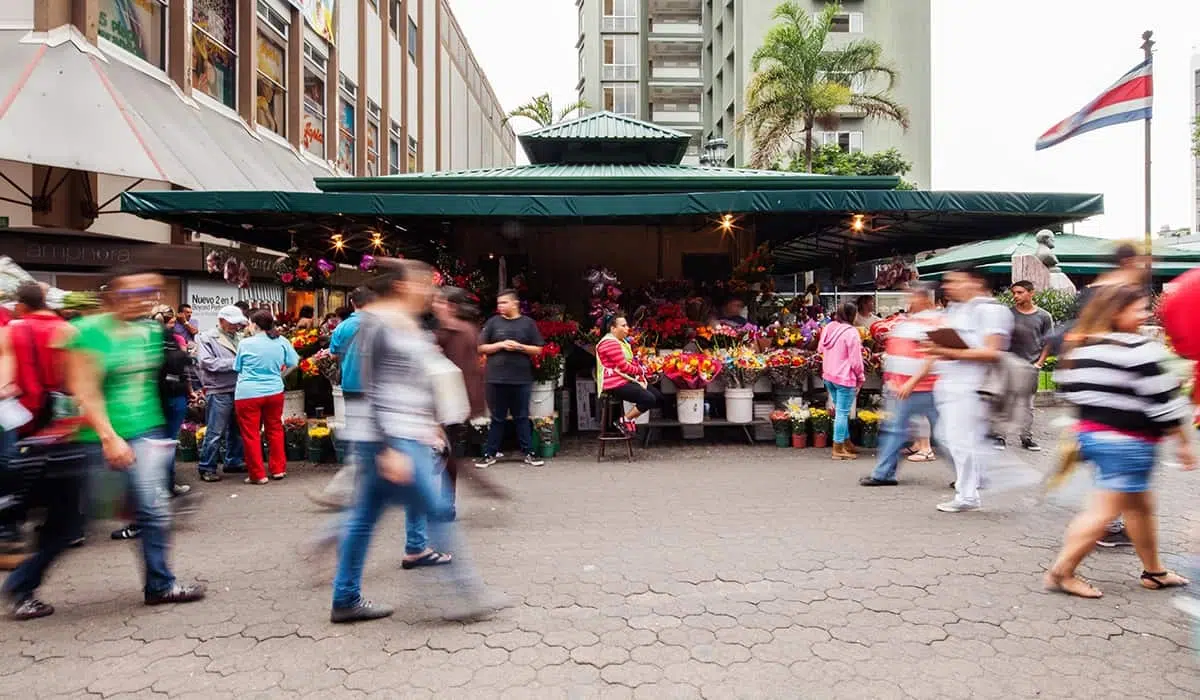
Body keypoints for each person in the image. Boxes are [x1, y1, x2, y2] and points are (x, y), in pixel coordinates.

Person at [5, 267, 206, 620]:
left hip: (145, 432)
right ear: (112, 295)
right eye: (133, 293)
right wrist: (109, 437)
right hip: (92, 439)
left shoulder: (146, 330)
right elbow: (85, 390)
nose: (143, 298)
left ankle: (160, 584)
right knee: (69, 525)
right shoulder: (87, 332)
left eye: (149, 292)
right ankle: (21, 586)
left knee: (153, 510)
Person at [331, 259, 502, 623]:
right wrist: (389, 446)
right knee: (436, 509)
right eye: (423, 283)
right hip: (390, 438)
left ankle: (345, 597)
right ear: (403, 286)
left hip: (401, 434)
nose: (429, 289)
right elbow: (371, 386)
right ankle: (467, 595)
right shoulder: (377, 324)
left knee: (363, 518)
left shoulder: (407, 323)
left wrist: (429, 422)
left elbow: (411, 381)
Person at [1045, 284, 1193, 598]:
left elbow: (1068, 391)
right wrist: (1182, 442)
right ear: (1117, 312)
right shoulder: (1141, 349)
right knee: (1103, 513)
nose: (1147, 313)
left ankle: (1154, 571)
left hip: (1093, 438)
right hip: (1129, 444)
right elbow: (1164, 402)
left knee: (1139, 507)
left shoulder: (1082, 348)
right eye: (1139, 308)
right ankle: (1062, 572)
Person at [923, 266, 1012, 513]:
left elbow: (993, 351)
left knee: (960, 441)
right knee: (951, 438)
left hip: (972, 386)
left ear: (975, 282)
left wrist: (948, 351)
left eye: (955, 281)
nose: (949, 287)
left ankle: (972, 490)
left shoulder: (991, 310)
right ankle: (973, 486)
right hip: (951, 385)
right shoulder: (956, 309)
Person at [0, 284, 73, 561]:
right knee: (54, 468)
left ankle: (10, 528)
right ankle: (64, 526)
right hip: (56, 412)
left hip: (20, 411)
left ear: (21, 305)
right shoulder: (66, 329)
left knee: (16, 467)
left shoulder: (12, 329)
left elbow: (6, 376)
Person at [110, 305, 194, 541]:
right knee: (164, 450)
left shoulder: (137, 340)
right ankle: (164, 497)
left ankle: (147, 514)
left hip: (150, 406)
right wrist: (189, 391)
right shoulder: (169, 338)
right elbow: (183, 367)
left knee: (142, 463)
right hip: (173, 398)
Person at [860, 283, 942, 486]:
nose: (909, 300)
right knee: (894, 430)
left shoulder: (935, 322)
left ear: (925, 298)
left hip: (925, 388)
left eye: (913, 296)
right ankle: (884, 474)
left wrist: (911, 383)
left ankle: (972, 475)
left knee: (945, 435)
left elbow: (934, 357)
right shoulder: (909, 321)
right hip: (903, 388)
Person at [309, 287, 374, 510]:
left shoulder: (344, 326)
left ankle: (347, 490)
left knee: (359, 435)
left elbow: (334, 354)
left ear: (353, 303)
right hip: (379, 388)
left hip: (353, 385)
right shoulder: (382, 325)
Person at [433, 287, 490, 511]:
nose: (434, 304)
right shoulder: (450, 331)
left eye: (439, 301)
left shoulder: (460, 332)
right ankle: (445, 502)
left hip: (452, 404)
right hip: (453, 403)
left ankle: (444, 503)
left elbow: (468, 371)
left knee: (446, 455)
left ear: (451, 306)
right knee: (448, 455)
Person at [475, 289, 545, 469]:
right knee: (497, 417)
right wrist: (500, 345)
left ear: (515, 303)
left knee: (521, 416)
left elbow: (538, 349)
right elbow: (481, 347)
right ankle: (489, 453)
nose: (500, 307)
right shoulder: (493, 323)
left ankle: (529, 452)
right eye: (498, 304)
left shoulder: (528, 324)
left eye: (504, 303)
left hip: (521, 378)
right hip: (495, 378)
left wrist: (520, 347)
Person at [234, 311, 299, 484]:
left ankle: (258, 474)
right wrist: (279, 375)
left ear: (255, 325)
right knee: (275, 429)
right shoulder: (281, 341)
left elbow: (237, 367)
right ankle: (278, 469)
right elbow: (294, 362)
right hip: (274, 391)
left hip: (248, 394)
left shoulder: (245, 343)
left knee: (251, 434)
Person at [998, 280, 1053, 451]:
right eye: (1014, 292)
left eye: (1020, 292)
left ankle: (1026, 437)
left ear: (1031, 293)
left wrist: (1039, 363)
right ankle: (1000, 436)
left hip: (1031, 366)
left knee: (1027, 405)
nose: (1015, 296)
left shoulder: (1044, 316)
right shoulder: (1008, 314)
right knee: (1005, 401)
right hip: (1009, 364)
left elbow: (1048, 342)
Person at [195, 305, 248, 482]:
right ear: (221, 320)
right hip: (218, 389)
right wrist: (236, 363)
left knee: (237, 429)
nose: (235, 326)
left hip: (238, 388)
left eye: (237, 323)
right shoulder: (206, 337)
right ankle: (207, 467)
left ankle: (233, 461)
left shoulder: (241, 337)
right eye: (232, 323)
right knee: (215, 431)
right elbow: (207, 362)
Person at [596, 312, 659, 436]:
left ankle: (630, 419)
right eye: (623, 326)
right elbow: (624, 367)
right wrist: (642, 371)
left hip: (624, 380)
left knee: (657, 396)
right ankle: (624, 420)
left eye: (627, 325)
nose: (627, 328)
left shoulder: (621, 341)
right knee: (649, 398)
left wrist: (641, 370)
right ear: (613, 328)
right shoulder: (610, 343)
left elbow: (629, 361)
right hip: (615, 384)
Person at [818, 303, 865, 460]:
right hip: (845, 377)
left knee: (840, 411)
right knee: (843, 413)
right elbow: (856, 360)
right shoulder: (851, 333)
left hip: (829, 375)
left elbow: (820, 349)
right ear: (852, 315)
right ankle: (837, 447)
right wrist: (860, 376)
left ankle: (846, 443)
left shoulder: (829, 328)